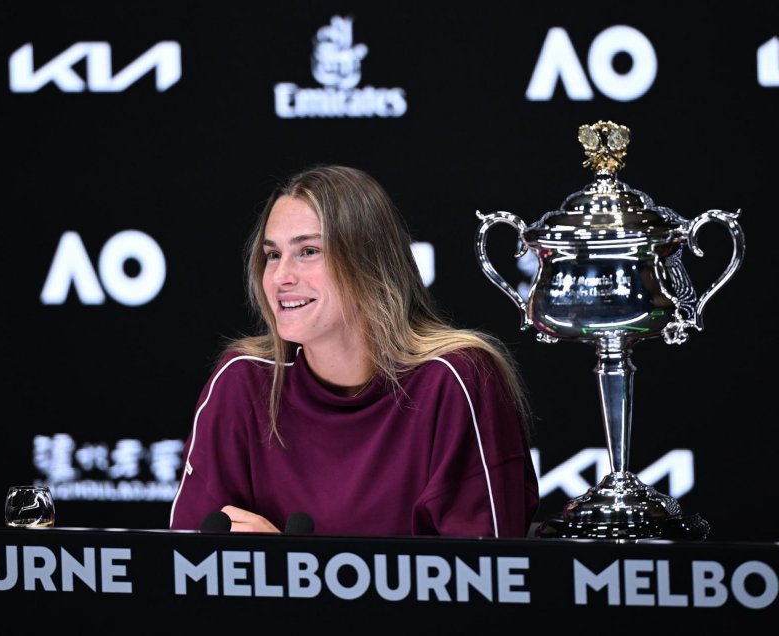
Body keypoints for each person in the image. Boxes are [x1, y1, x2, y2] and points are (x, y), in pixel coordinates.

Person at [169, 164, 539, 538]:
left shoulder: (455, 380)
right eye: (273, 255)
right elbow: (189, 569)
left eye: (308, 251)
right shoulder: (243, 380)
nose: (280, 277)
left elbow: (484, 582)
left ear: (369, 261)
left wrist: (292, 568)